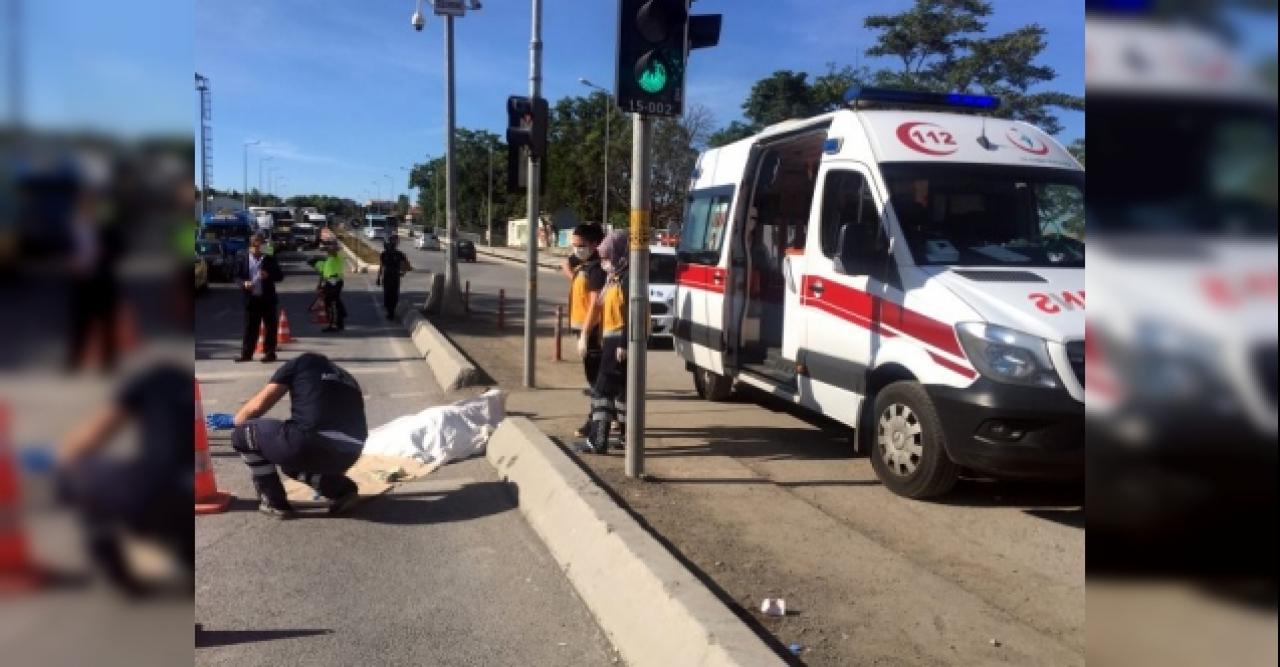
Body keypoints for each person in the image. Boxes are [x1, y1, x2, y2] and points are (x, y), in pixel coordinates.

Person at [56, 359, 194, 596]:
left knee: (79, 475)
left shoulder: (155, 377)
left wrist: (60, 462)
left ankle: (121, 575)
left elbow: (86, 441)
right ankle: (187, 559)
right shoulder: (182, 381)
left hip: (151, 497)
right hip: (190, 500)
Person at [231, 352, 367, 518]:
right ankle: (341, 489)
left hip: (308, 443)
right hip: (351, 452)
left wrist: (236, 422)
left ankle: (273, 501)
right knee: (291, 462)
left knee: (243, 433)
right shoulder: (347, 377)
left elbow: (255, 408)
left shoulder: (301, 363)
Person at [579, 231, 647, 454]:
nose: (604, 262)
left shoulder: (628, 280)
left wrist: (625, 344)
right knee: (621, 394)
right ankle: (628, 439)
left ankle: (597, 441)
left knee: (601, 392)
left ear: (619, 254)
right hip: (612, 342)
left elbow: (632, 314)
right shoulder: (615, 278)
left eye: (607, 257)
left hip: (618, 343)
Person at [567, 223, 607, 436]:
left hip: (593, 331)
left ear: (594, 244)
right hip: (585, 329)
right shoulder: (584, 264)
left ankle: (596, 423)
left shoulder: (596, 268)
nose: (575, 249)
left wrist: (584, 334)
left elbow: (596, 304)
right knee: (596, 380)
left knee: (597, 382)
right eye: (573, 245)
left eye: (580, 245)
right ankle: (606, 421)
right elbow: (567, 264)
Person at [236, 233, 285, 363]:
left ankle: (269, 353)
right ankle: (246, 354)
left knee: (270, 327)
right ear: (250, 246)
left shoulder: (269, 258)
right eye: (255, 245)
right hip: (251, 299)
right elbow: (237, 277)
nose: (257, 248)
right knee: (250, 327)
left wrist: (268, 274)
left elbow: (280, 276)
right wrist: (244, 284)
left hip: (267, 299)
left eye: (260, 245)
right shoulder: (243, 258)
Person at [376, 236, 411, 320]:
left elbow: (407, 265)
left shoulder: (399, 254)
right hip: (387, 277)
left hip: (395, 277)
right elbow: (381, 266)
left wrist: (403, 273)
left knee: (394, 295)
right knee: (387, 295)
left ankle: (391, 311)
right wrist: (378, 277)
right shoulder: (383, 254)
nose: (390, 246)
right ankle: (390, 312)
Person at [315, 241, 347, 332]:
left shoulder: (338, 256)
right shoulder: (328, 259)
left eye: (331, 247)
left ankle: (334, 325)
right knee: (332, 302)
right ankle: (339, 322)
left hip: (335, 282)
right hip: (329, 282)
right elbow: (324, 274)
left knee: (332, 303)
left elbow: (336, 250)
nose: (328, 249)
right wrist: (320, 284)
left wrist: (329, 247)